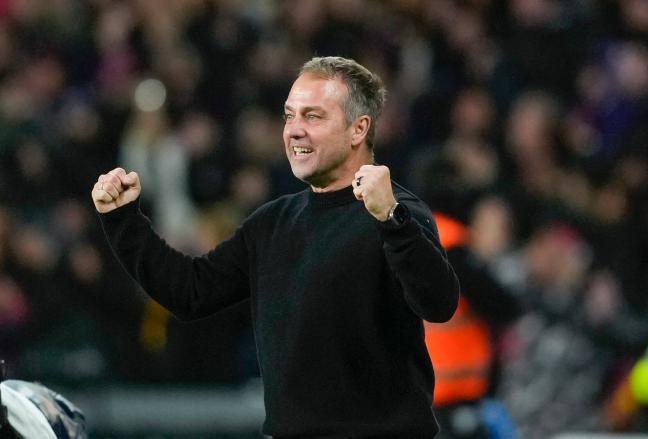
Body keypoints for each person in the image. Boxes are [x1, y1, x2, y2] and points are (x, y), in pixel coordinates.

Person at [91, 56, 460, 438]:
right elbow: (190, 292)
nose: (294, 131)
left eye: (313, 117)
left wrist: (392, 219)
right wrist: (124, 221)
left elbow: (438, 303)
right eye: (289, 116)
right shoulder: (272, 223)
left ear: (357, 129)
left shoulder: (396, 212)